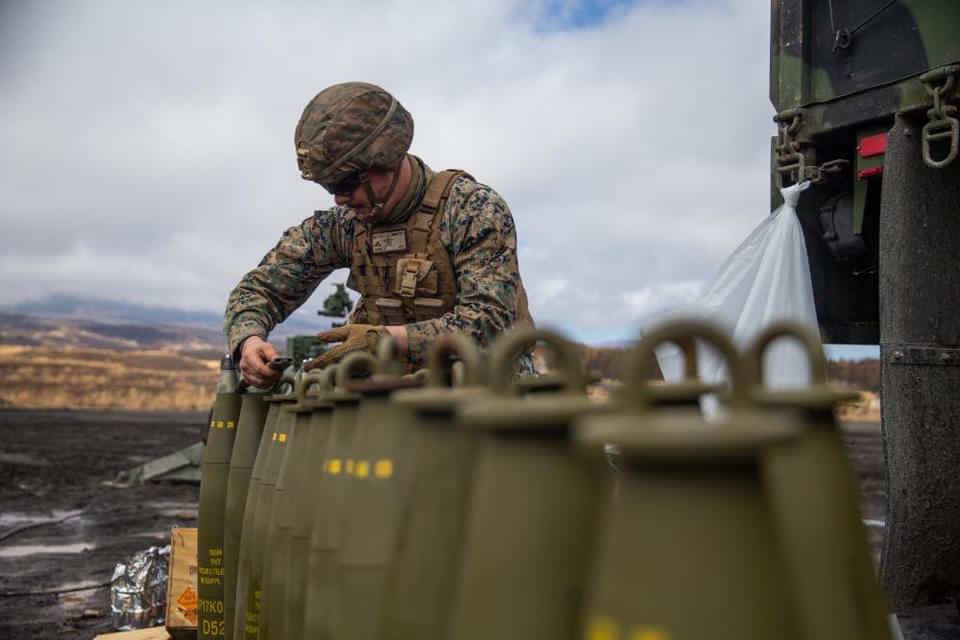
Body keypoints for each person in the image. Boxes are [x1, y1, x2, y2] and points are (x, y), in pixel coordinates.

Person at [224, 82, 533, 387]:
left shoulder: (471, 210)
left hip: (485, 403)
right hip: (390, 405)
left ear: (387, 160)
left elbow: (489, 323)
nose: (338, 199)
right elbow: (259, 290)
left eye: (344, 184)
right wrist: (249, 342)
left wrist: (382, 340)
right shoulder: (344, 226)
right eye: (328, 187)